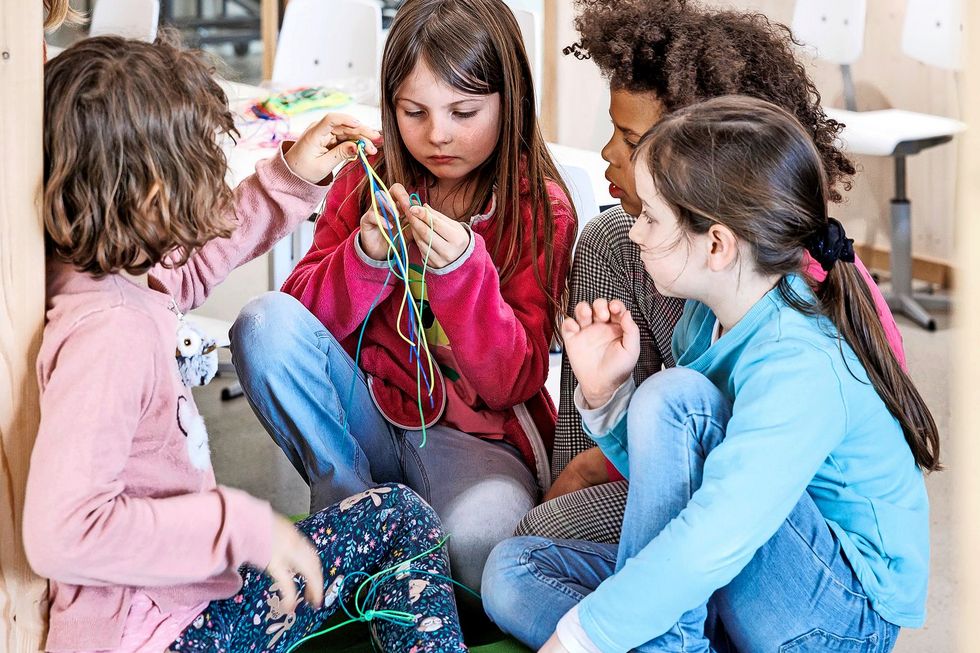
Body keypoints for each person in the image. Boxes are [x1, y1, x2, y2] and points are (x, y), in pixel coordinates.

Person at [23, 35, 465, 653]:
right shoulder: (109, 336)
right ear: (154, 192)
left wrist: (291, 177)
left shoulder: (103, 283)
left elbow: (190, 267)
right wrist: (237, 524)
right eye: (204, 171)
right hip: (167, 631)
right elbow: (61, 533)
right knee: (402, 518)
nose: (212, 189)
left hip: (177, 605)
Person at [483, 95, 938, 653]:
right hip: (746, 572)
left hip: (838, 617)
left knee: (673, 398)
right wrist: (607, 398)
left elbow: (719, 532)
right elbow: (672, 485)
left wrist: (585, 636)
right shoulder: (704, 320)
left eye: (650, 217)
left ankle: (666, 643)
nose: (634, 233)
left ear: (717, 244)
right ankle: (670, 642)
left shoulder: (800, 361)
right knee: (512, 571)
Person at [518, 0, 907, 545]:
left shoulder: (800, 307)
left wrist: (592, 476)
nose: (607, 154)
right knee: (530, 550)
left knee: (544, 536)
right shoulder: (640, 254)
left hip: (772, 521)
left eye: (633, 143)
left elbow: (746, 476)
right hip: (676, 467)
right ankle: (577, 487)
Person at [231, 0, 576, 594]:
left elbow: (513, 381)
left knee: (481, 553)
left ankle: (393, 540)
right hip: (368, 421)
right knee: (262, 322)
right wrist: (362, 260)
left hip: (475, 440)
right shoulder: (361, 181)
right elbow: (296, 330)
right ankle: (350, 512)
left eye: (464, 111)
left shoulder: (538, 210)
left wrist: (463, 276)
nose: (437, 134)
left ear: (510, 102)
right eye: (414, 111)